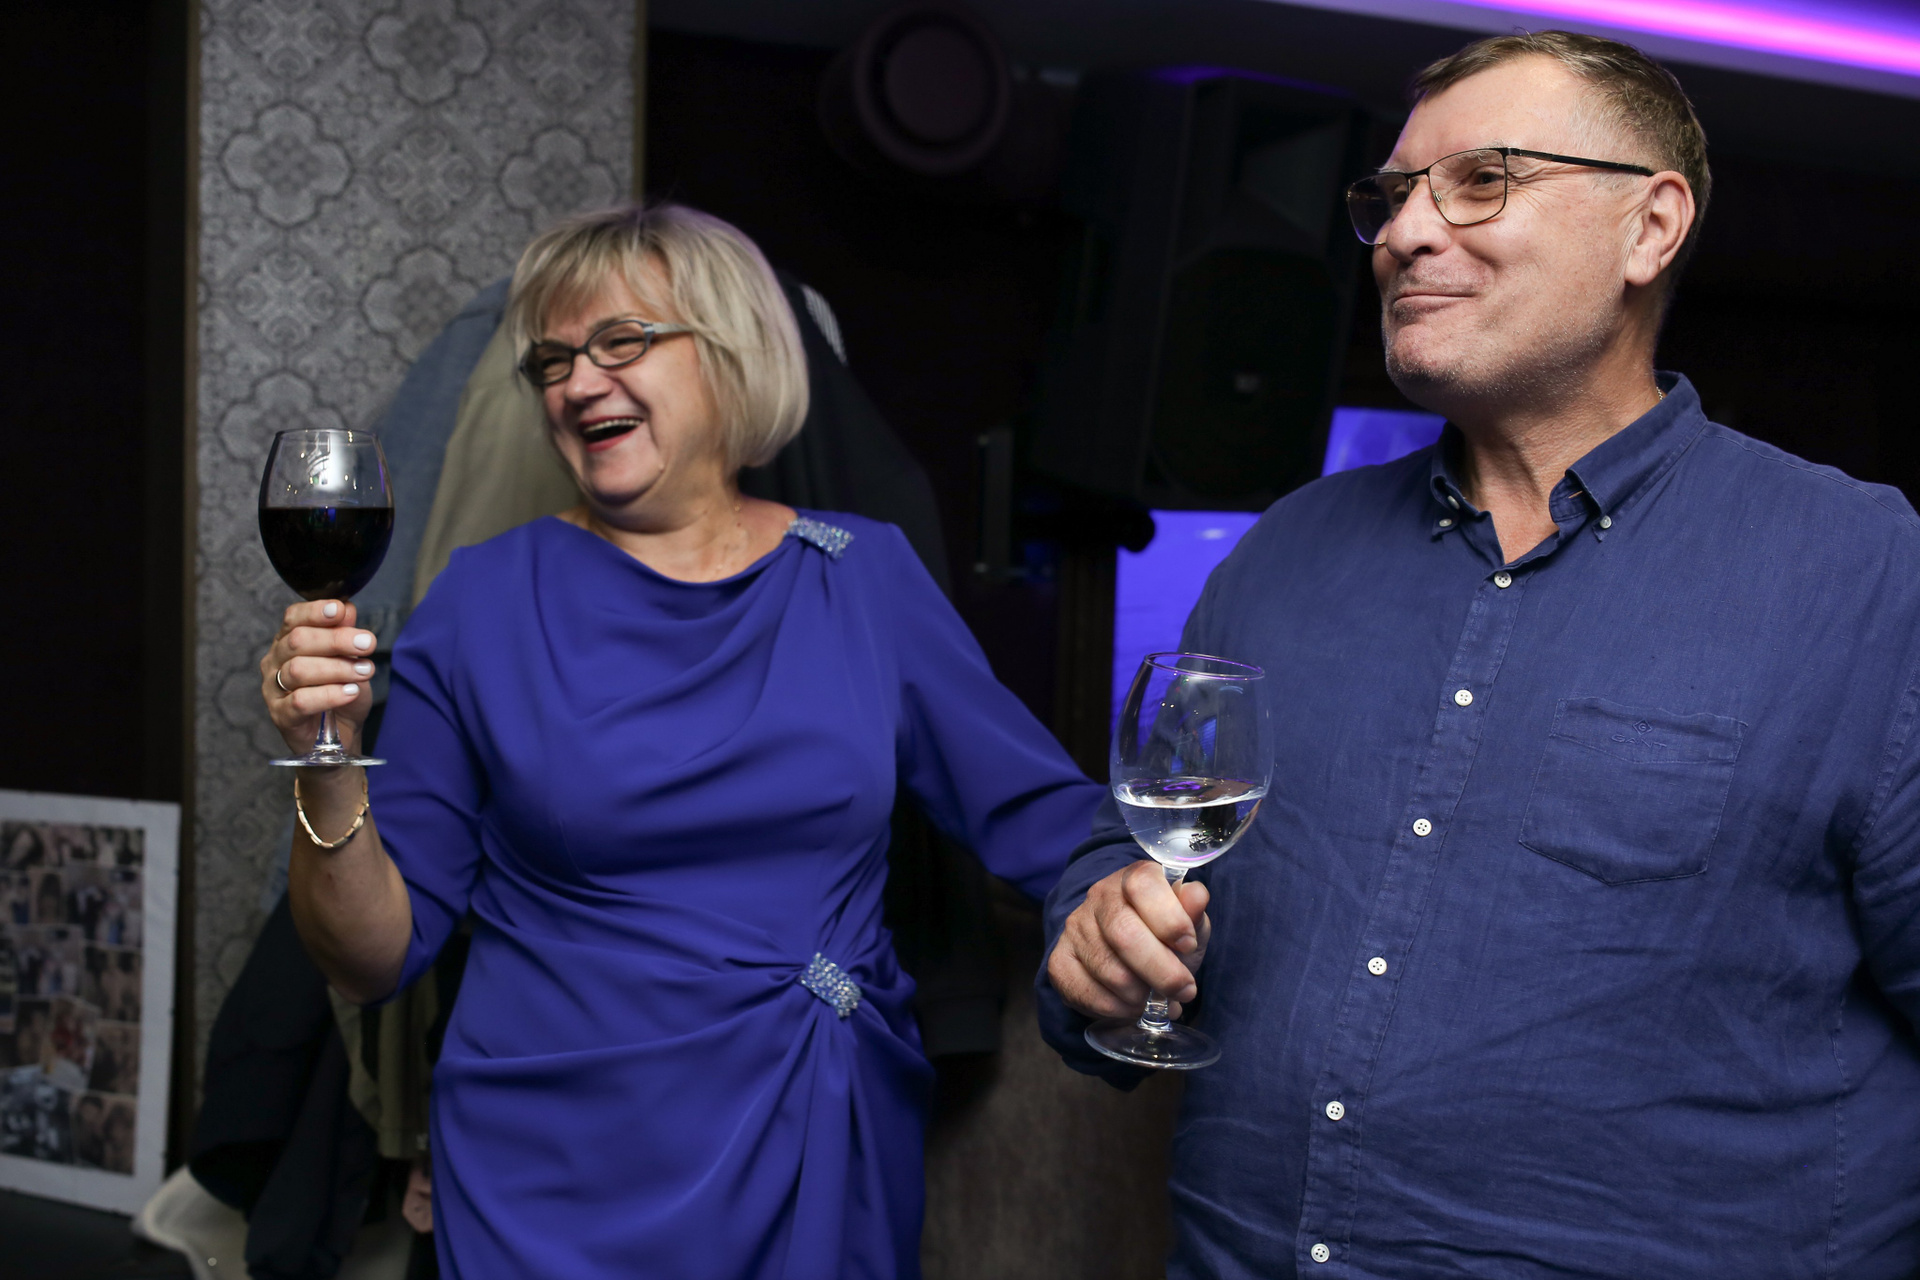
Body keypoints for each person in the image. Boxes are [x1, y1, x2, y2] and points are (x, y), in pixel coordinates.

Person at [1039, 29, 1920, 1279]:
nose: (1404, 232)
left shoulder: (1869, 573)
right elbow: (1132, 855)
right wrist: (1095, 939)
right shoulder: (1283, 554)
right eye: (1392, 195)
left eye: (1483, 180)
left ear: (1651, 227)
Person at [259, 201, 1101, 1279]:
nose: (577, 383)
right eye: (554, 359)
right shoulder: (480, 601)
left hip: (811, 1137)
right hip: (548, 1177)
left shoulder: (863, 577)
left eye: (622, 342)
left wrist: (1149, 882)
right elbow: (371, 957)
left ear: (732, 353)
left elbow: (1048, 817)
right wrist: (325, 761)